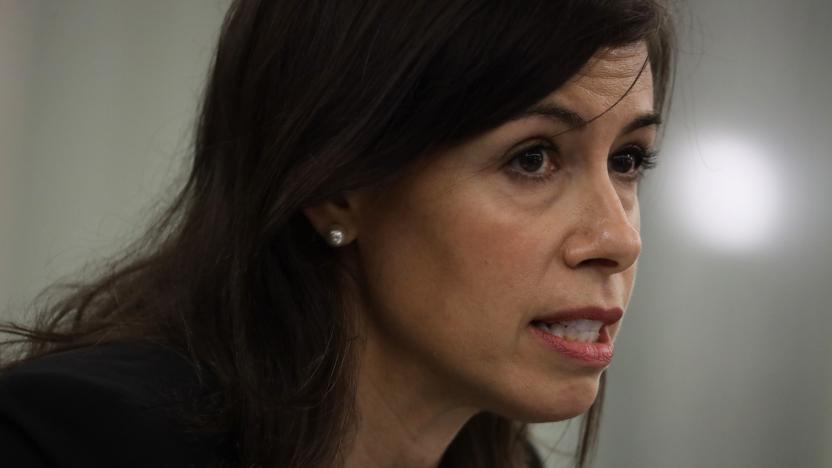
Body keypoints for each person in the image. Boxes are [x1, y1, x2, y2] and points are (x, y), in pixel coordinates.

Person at [0, 0, 675, 467]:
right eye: (532, 158)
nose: (618, 239)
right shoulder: (71, 442)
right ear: (334, 189)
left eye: (628, 160)